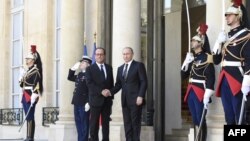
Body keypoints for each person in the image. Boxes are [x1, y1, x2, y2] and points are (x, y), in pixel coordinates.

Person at [212, 0, 250, 125]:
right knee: (229, 117)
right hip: (224, 79)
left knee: (240, 117)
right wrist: (218, 41)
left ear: (238, 16)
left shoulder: (246, 35)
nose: (226, 17)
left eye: (230, 14)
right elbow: (216, 60)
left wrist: (247, 81)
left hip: (237, 79)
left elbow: (249, 59)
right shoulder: (225, 36)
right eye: (226, 15)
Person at [181, 24, 215, 141]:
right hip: (191, 89)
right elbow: (183, 75)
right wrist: (186, 62)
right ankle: (197, 138)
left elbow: (211, 76)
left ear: (200, 43)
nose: (191, 42)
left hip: (200, 90)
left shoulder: (206, 57)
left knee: (200, 117)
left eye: (194, 40)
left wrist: (208, 92)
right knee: (195, 118)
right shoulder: (192, 57)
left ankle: (202, 139)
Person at [107, 47, 147, 141]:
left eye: (127, 54)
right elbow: (118, 85)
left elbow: (144, 82)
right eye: (124, 54)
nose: (125, 56)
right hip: (125, 100)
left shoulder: (138, 65)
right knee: (127, 124)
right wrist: (110, 92)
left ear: (132, 54)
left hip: (136, 100)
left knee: (135, 124)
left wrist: (140, 96)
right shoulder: (120, 68)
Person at [85, 47, 114, 141]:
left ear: (104, 56)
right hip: (95, 100)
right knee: (94, 125)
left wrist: (110, 93)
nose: (99, 56)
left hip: (107, 101)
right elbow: (89, 84)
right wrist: (101, 91)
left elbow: (111, 83)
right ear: (95, 56)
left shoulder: (109, 68)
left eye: (101, 54)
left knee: (106, 125)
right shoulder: (89, 69)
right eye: (97, 54)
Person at [19, 45, 43, 141]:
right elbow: (22, 85)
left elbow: (37, 84)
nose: (26, 60)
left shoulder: (36, 71)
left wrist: (35, 94)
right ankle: (28, 136)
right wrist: (21, 77)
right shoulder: (28, 71)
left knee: (30, 116)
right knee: (27, 116)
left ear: (33, 60)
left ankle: (30, 137)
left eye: (28, 59)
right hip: (25, 94)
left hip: (30, 95)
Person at [67, 55, 92, 141]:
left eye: (83, 62)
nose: (81, 64)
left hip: (84, 102)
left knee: (84, 123)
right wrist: (73, 69)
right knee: (78, 123)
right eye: (81, 62)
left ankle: (83, 139)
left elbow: (91, 90)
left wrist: (88, 102)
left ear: (88, 65)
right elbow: (69, 77)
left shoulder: (90, 75)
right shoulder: (80, 74)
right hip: (76, 102)